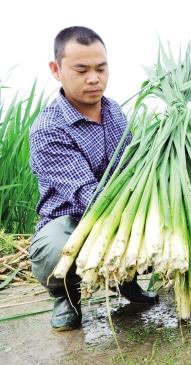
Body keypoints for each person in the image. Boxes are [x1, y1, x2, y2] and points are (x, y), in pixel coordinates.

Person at [28, 26, 158, 332]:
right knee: (54, 251)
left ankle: (127, 280)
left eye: (101, 68)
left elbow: (130, 171)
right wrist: (140, 217)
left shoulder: (115, 113)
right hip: (70, 219)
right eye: (81, 69)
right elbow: (87, 194)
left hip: (117, 209)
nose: (93, 78)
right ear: (56, 70)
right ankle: (66, 297)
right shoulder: (48, 128)